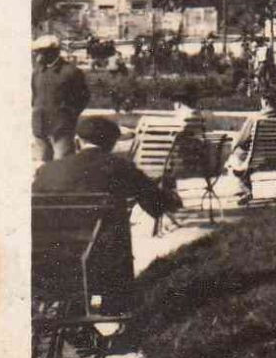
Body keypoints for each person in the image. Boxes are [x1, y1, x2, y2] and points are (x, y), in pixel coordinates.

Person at [33, 117, 183, 315]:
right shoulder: (119, 167)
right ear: (111, 144)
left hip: (48, 260)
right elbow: (157, 205)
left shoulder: (47, 171)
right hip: (104, 264)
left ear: (78, 141)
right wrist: (172, 197)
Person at [225, 87, 276, 205]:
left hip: (257, 160)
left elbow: (240, 139)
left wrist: (234, 145)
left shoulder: (255, 119)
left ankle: (244, 190)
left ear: (265, 102)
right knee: (241, 156)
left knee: (236, 156)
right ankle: (243, 190)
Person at [32, 35, 89, 163]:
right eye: (36, 52)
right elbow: (35, 95)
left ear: (53, 52)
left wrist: (69, 115)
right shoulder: (38, 72)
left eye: (40, 52)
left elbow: (83, 97)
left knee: (62, 164)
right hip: (40, 126)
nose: (37, 56)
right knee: (43, 164)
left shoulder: (71, 72)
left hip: (61, 127)